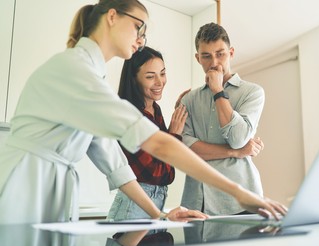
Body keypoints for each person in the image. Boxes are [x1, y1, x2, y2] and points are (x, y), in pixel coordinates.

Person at [0, 0, 286, 225]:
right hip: (26, 183)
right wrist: (240, 192)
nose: (141, 38)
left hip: (51, 190)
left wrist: (159, 214)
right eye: (139, 28)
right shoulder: (75, 70)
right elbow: (160, 143)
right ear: (112, 17)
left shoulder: (92, 78)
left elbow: (115, 165)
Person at [180, 22, 267, 215]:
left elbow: (238, 139)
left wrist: (218, 91)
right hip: (196, 201)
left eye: (221, 54)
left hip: (241, 202)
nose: (214, 63)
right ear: (198, 58)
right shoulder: (189, 100)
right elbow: (186, 150)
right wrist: (235, 153)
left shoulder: (252, 93)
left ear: (231, 53)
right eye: (206, 56)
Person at [107, 46, 189, 220]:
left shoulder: (154, 109)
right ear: (134, 79)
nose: (160, 82)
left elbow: (163, 157)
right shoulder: (130, 116)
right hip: (133, 206)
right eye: (150, 76)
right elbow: (158, 173)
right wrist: (173, 135)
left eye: (163, 73)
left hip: (155, 202)